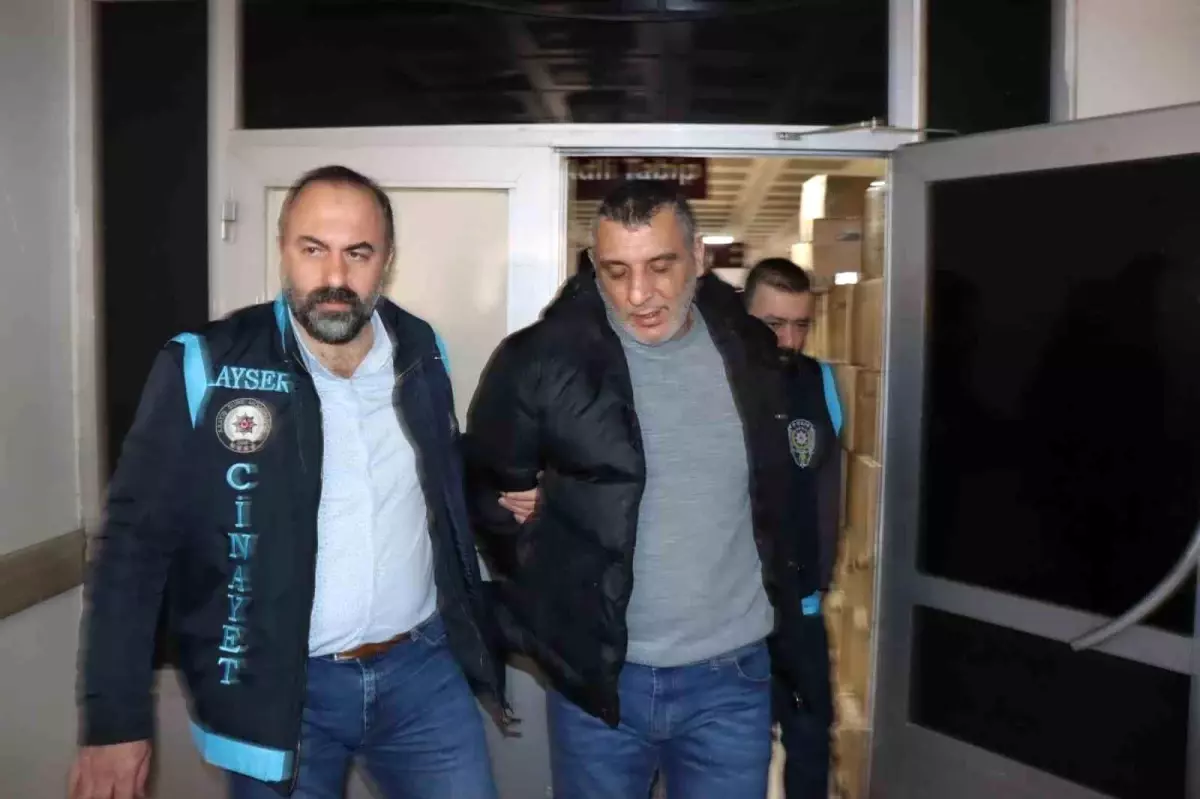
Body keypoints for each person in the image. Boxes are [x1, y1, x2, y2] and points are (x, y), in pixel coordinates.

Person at [70, 165, 506, 799]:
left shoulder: (422, 348)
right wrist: (114, 719)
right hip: (282, 692)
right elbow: (133, 547)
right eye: (313, 249)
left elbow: (438, 489)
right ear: (283, 250)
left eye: (359, 253)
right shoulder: (207, 362)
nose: (335, 278)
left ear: (387, 260)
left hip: (421, 674)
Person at [465, 180, 823, 798]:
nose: (638, 294)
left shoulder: (753, 352)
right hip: (603, 682)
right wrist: (552, 543)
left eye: (660, 267)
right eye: (616, 271)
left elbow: (781, 494)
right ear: (593, 266)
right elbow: (488, 499)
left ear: (699, 257)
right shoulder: (539, 361)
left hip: (731, 680)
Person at [744, 257, 842, 799]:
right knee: (737, 747)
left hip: (802, 604)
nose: (789, 339)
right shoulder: (718, 383)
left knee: (809, 737)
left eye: (801, 324)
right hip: (735, 606)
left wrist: (822, 576)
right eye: (774, 323)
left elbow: (828, 484)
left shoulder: (819, 382)